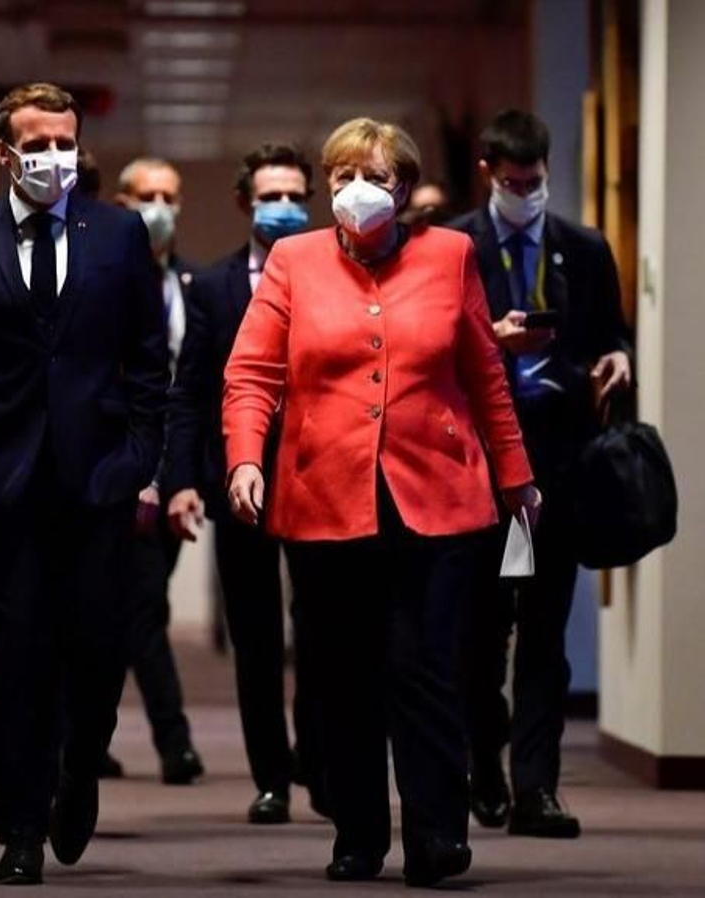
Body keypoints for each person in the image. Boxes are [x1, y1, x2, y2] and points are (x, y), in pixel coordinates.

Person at [222, 117, 540, 887]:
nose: (357, 190)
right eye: (341, 177)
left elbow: (484, 374)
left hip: (433, 496)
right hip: (324, 499)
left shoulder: (451, 255)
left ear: (404, 189)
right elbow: (251, 373)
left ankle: (436, 834)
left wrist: (515, 473)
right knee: (343, 676)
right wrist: (244, 461)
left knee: (425, 670)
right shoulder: (294, 261)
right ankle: (359, 836)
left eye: (375, 176)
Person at [0, 81, 169, 886]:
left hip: (96, 480)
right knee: (13, 658)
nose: (55, 157)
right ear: (3, 153)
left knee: (96, 650)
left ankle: (79, 765)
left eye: (66, 142)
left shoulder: (117, 235)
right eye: (39, 144)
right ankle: (21, 824)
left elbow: (151, 361)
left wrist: (139, 460)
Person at [447, 109, 632, 838]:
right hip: (480, 471)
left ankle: (537, 788)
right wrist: (489, 344)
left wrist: (619, 359)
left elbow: (611, 333)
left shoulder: (581, 247)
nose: (529, 191)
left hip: (556, 465)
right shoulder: (455, 245)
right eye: (516, 181)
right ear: (489, 171)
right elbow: (429, 352)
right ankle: (483, 766)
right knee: (481, 632)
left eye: (539, 180)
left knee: (546, 633)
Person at [163, 141, 326, 824]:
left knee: (319, 628)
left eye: (295, 195)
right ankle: (271, 778)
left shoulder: (335, 274)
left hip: (322, 478)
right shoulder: (217, 287)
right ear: (244, 202)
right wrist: (180, 480)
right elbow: (191, 389)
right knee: (254, 635)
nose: (285, 207)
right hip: (242, 480)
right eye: (272, 195)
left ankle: (316, 756)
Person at [111, 155, 204, 785]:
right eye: (147, 194)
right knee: (138, 606)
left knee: (134, 607)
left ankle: (83, 736)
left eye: (170, 194)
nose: (160, 206)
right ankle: (174, 742)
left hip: (174, 466)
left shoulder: (192, 285)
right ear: (121, 203)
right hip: (112, 465)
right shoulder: (102, 276)